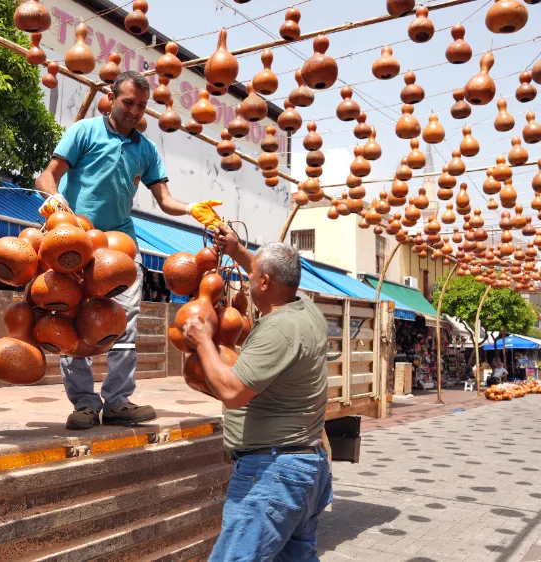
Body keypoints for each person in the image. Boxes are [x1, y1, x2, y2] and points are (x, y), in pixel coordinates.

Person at [35, 71, 224, 430]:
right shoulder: (85, 131)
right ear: (111, 96)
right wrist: (58, 206)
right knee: (71, 321)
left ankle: (118, 402)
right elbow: (46, 177)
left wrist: (192, 209)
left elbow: (164, 200)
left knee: (125, 324)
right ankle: (85, 404)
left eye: (141, 105)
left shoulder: (146, 150)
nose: (135, 111)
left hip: (122, 246)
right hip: (77, 242)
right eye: (128, 103)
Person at [182, 223, 332, 562]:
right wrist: (235, 249)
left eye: (253, 275)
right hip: (306, 466)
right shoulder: (305, 309)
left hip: (274, 472)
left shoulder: (279, 329)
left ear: (265, 282)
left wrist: (203, 341)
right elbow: (273, 274)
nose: (248, 279)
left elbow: (233, 392)